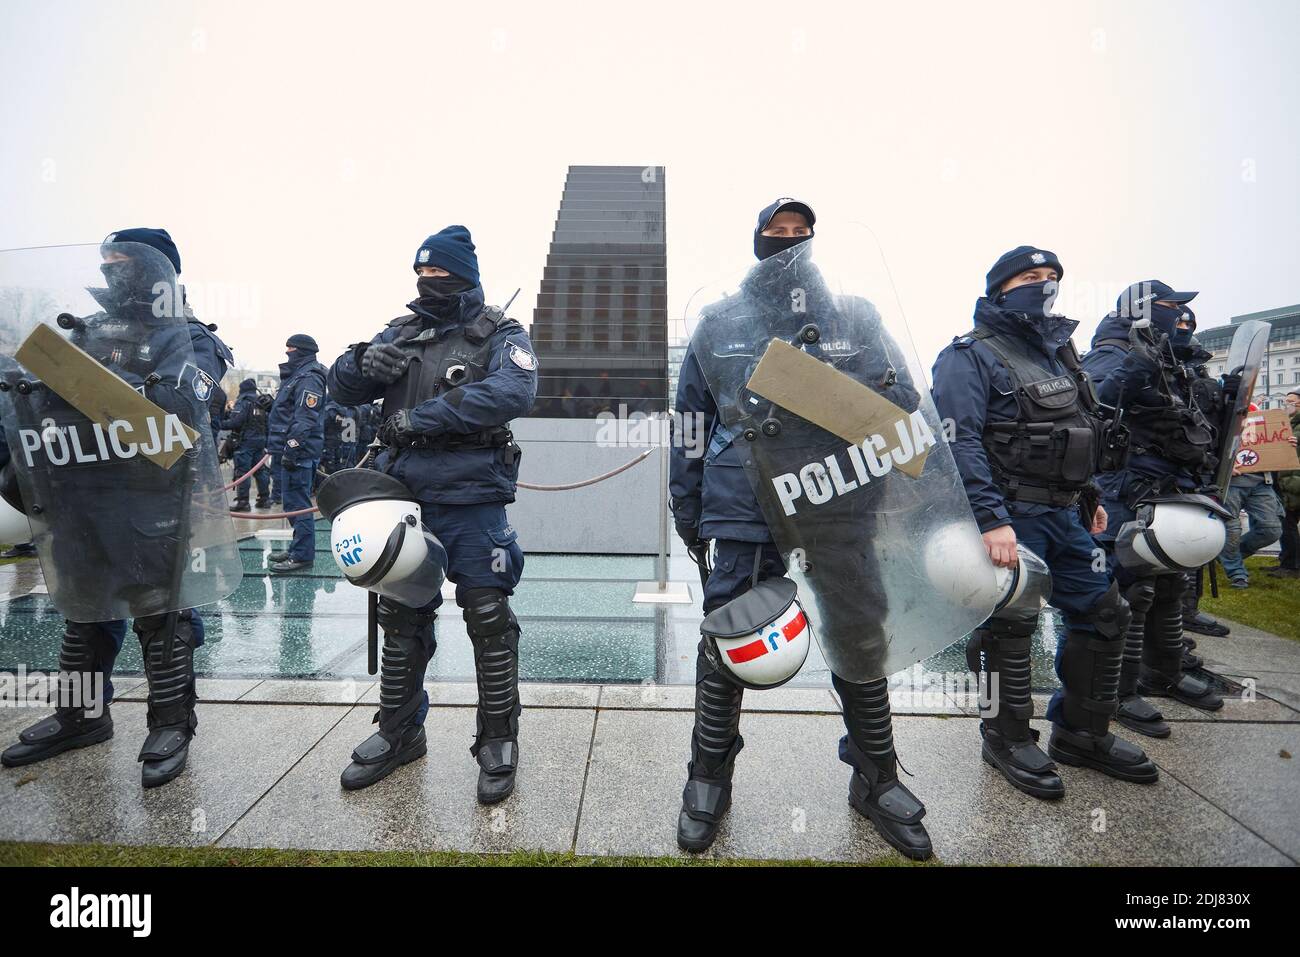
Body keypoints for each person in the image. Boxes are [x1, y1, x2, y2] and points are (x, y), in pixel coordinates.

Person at [670, 199, 938, 860]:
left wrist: (829, 383)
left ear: (814, 242)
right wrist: (689, 511)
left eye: (800, 233)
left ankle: (877, 777)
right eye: (776, 233)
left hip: (836, 496)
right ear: (757, 241)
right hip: (744, 503)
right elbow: (688, 428)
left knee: (860, 632)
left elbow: (904, 402)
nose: (788, 242)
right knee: (731, 635)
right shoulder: (718, 322)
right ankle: (708, 777)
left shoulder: (857, 316)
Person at [1, 228, 234, 788]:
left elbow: (178, 406)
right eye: (106, 262)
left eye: (124, 262)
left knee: (163, 616)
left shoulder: (189, 337)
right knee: (85, 612)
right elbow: (32, 403)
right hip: (80, 498)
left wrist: (79, 387)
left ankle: (171, 724)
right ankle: (81, 717)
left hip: (151, 501)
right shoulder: (82, 332)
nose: (111, 272)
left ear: (159, 273)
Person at [931, 246, 1155, 797]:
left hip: (1064, 514)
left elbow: (1081, 430)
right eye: (1031, 277)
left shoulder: (1059, 354)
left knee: (1105, 614)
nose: (1044, 285)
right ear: (1001, 288)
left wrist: (1089, 494)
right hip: (1009, 516)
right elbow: (960, 442)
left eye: (1051, 277)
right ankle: (1004, 737)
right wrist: (990, 520)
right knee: (1007, 631)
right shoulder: (969, 355)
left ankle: (1080, 733)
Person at [326, 225, 536, 801]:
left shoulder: (500, 331)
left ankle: (498, 740)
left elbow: (514, 393)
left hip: (471, 497)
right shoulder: (400, 331)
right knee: (401, 617)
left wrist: (424, 419)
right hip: (402, 499)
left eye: (440, 270)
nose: (429, 279)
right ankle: (398, 734)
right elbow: (338, 389)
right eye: (421, 271)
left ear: (464, 272)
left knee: (488, 617)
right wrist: (361, 364)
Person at [1082, 281, 1225, 730]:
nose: (1177, 316)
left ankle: (1164, 672)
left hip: (1169, 484)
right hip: (1127, 489)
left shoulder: (1164, 354)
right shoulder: (1112, 349)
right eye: (1169, 307)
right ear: (1142, 309)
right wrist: (1135, 366)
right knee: (1128, 593)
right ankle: (1119, 694)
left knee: (1171, 584)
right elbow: (1095, 403)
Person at [265, 334, 327, 573]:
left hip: (298, 453)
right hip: (292, 451)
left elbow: (305, 418)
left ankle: (302, 556)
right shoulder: (298, 375)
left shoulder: (309, 378)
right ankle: (296, 548)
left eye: (290, 349)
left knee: (298, 505)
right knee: (292, 504)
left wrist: (291, 448)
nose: (287, 353)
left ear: (300, 351)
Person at [1218, 462, 1284, 588]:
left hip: (1262, 482)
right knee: (1231, 530)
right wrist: (1222, 466)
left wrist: (1287, 443)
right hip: (1229, 482)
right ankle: (1237, 573)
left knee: (1271, 530)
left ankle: (1225, 555)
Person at [222, 378, 272, 511]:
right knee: (261, 471)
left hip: (245, 442)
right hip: (260, 442)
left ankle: (243, 502)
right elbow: (267, 424)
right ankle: (264, 499)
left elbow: (235, 422)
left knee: (243, 472)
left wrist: (219, 424)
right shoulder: (261, 403)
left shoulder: (243, 402)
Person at [1270, 390, 1300, 578]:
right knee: (1287, 522)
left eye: (1290, 402)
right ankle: (1286, 559)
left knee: (1287, 523)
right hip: (1287, 479)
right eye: (1285, 401)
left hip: (1294, 481)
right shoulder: (1290, 423)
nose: (1286, 405)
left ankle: (1291, 566)